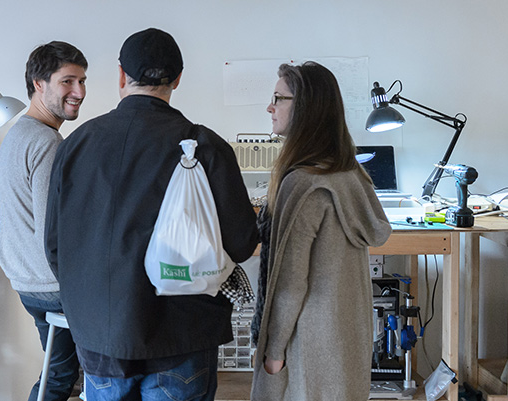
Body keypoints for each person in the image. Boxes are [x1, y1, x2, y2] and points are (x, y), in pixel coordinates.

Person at [44, 28, 258, 401]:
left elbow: (54, 247)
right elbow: (241, 244)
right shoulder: (205, 147)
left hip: (100, 337)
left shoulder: (77, 145)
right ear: (177, 79)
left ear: (122, 76)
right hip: (182, 336)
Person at [250, 61, 392, 401]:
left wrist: (273, 352)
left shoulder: (302, 184)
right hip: (345, 336)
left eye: (278, 98)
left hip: (307, 343)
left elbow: (290, 281)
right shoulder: (351, 176)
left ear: (305, 110)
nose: (270, 107)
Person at [0, 41, 88, 401]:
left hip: (26, 280)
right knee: (65, 375)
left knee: (59, 369)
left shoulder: (19, 132)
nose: (79, 92)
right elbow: (56, 228)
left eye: (82, 81)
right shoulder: (48, 143)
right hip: (50, 284)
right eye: (67, 81)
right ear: (39, 83)